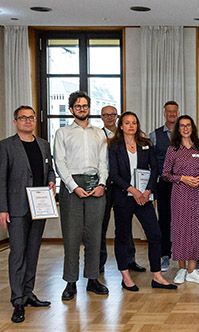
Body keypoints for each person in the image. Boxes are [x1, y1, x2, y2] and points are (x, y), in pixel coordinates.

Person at [108, 112, 177, 291]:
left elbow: (154, 169)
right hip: (124, 197)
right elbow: (113, 174)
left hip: (144, 197)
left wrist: (146, 191)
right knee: (123, 236)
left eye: (134, 123)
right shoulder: (114, 146)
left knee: (155, 234)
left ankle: (157, 275)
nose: (131, 126)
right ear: (121, 126)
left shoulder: (145, 144)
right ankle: (125, 275)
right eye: (127, 123)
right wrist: (133, 190)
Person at [0, 106, 55, 323]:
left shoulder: (43, 144)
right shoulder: (6, 146)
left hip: (39, 207)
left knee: (33, 252)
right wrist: (2, 208)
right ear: (15, 122)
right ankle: (17, 300)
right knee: (18, 254)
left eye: (31, 118)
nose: (27, 121)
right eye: (23, 118)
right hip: (16, 208)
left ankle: (29, 292)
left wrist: (51, 180)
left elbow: (50, 168)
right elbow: (1, 179)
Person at [54, 91, 109, 301]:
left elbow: (104, 162)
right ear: (71, 109)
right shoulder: (62, 133)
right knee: (72, 236)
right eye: (78, 106)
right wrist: (73, 186)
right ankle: (70, 282)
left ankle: (93, 279)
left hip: (96, 185)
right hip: (71, 188)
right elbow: (60, 163)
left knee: (95, 236)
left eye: (85, 106)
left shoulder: (99, 133)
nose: (82, 109)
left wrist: (102, 183)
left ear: (89, 108)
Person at [161, 115, 199, 285]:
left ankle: (192, 269)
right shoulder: (172, 149)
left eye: (188, 125)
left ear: (193, 128)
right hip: (180, 193)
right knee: (181, 229)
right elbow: (165, 174)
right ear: (178, 129)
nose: (185, 128)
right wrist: (182, 178)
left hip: (198, 194)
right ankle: (181, 269)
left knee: (196, 229)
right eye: (182, 126)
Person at [99, 106, 144, 274]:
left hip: (123, 186)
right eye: (106, 115)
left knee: (125, 225)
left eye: (113, 114)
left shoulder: (126, 136)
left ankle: (129, 259)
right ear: (101, 117)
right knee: (101, 226)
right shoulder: (97, 135)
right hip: (104, 185)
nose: (110, 117)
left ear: (117, 117)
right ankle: (99, 263)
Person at [149, 101, 179, 272]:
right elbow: (152, 163)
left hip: (183, 183)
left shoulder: (184, 132)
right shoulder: (155, 135)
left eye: (174, 111)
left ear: (178, 112)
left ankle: (187, 255)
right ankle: (165, 255)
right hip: (164, 184)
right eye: (169, 112)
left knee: (184, 219)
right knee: (165, 219)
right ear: (164, 113)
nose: (172, 114)